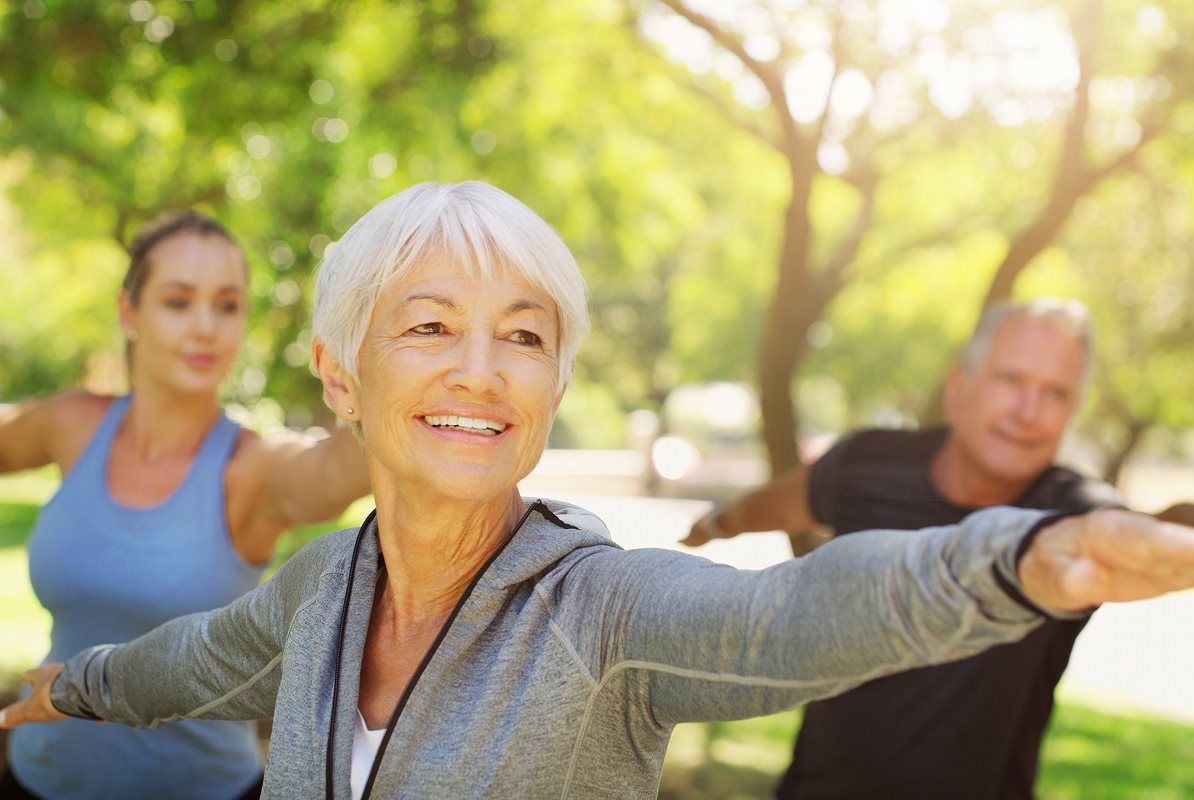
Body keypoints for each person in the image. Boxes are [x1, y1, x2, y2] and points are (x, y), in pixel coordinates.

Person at [4, 184, 1194, 800]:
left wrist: (1020, 561)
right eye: (429, 326)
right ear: (340, 372)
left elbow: (793, 614)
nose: (481, 368)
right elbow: (198, 661)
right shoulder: (321, 584)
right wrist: (76, 686)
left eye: (523, 336)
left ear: (555, 381)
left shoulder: (602, 613)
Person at [682, 299, 1132, 799]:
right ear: (960, 386)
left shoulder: (1074, 515)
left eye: (1054, 393)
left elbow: (1153, 530)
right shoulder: (870, 464)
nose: (1028, 412)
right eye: (1011, 381)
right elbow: (774, 506)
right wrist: (714, 524)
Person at [0, 213, 372, 800]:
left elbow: (341, 468)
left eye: (227, 306)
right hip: (37, 776)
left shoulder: (254, 470)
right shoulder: (71, 425)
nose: (206, 328)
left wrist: (373, 335)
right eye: (178, 302)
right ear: (130, 313)